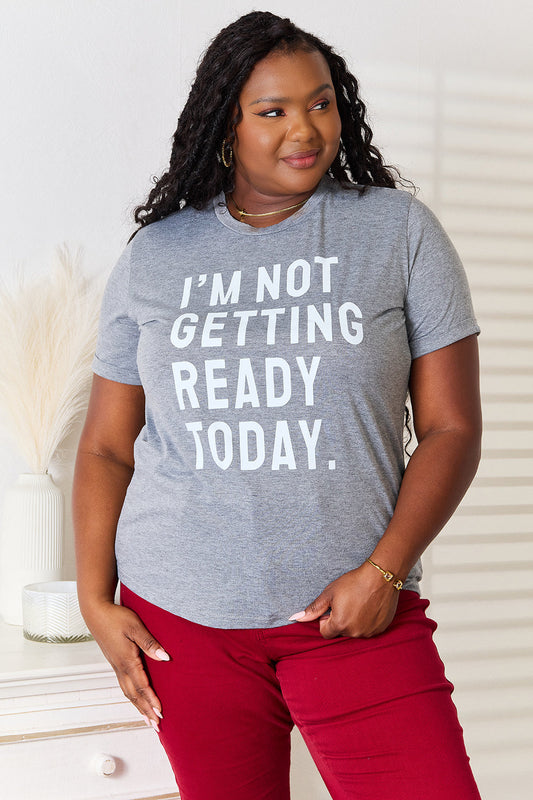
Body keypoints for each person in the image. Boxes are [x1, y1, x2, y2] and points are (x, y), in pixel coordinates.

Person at [73, 11, 483, 800]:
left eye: (320, 103)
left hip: (356, 617)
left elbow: (449, 428)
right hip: (184, 623)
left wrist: (384, 575)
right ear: (224, 124)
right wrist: (95, 599)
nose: (305, 129)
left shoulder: (396, 232)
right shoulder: (157, 255)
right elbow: (106, 448)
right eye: (272, 111)